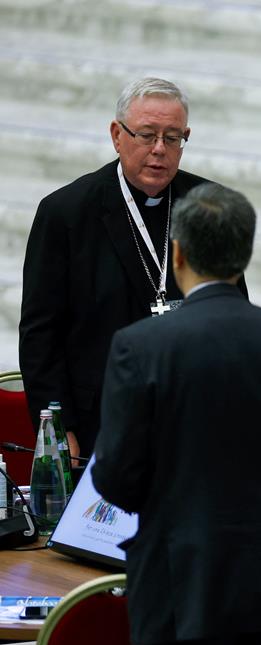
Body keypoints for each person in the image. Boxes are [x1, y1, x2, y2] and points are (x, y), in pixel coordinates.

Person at [92, 183, 261, 645]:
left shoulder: (139, 345)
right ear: (244, 255)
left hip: (179, 589)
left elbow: (116, 477)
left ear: (178, 252)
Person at [19, 77, 248, 464]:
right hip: (99, 422)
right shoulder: (66, 212)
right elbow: (41, 332)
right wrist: (60, 431)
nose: (159, 149)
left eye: (172, 138)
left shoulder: (211, 208)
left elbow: (235, 315)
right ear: (117, 134)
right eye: (147, 135)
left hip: (191, 418)